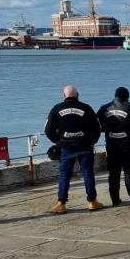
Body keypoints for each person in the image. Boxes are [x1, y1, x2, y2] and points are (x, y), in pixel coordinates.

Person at [46, 85, 102, 213]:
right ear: (78, 95)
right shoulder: (86, 108)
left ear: (64, 95)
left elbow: (48, 130)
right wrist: (91, 141)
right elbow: (97, 128)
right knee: (88, 174)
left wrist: (58, 141)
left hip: (65, 147)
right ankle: (92, 202)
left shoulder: (56, 109)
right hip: (84, 146)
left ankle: (61, 203)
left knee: (64, 175)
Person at [97, 86, 130, 207]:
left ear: (115, 96)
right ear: (127, 96)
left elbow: (96, 121)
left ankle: (115, 199)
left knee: (114, 172)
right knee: (129, 171)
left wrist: (106, 128)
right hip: (128, 144)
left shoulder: (104, 108)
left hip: (112, 144)